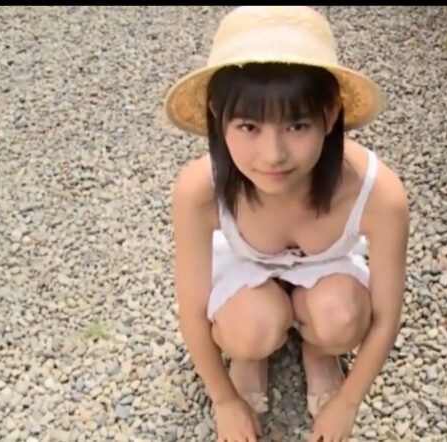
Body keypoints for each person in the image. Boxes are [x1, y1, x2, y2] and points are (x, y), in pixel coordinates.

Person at [166, 6, 409, 441]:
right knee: (250, 331)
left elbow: (386, 315)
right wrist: (224, 401)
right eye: (249, 126)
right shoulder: (199, 191)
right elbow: (192, 311)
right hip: (244, 267)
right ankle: (250, 355)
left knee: (343, 320)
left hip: (329, 272)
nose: (274, 154)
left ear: (330, 115)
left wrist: (348, 403)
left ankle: (318, 349)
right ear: (217, 115)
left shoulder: (378, 193)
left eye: (297, 125)